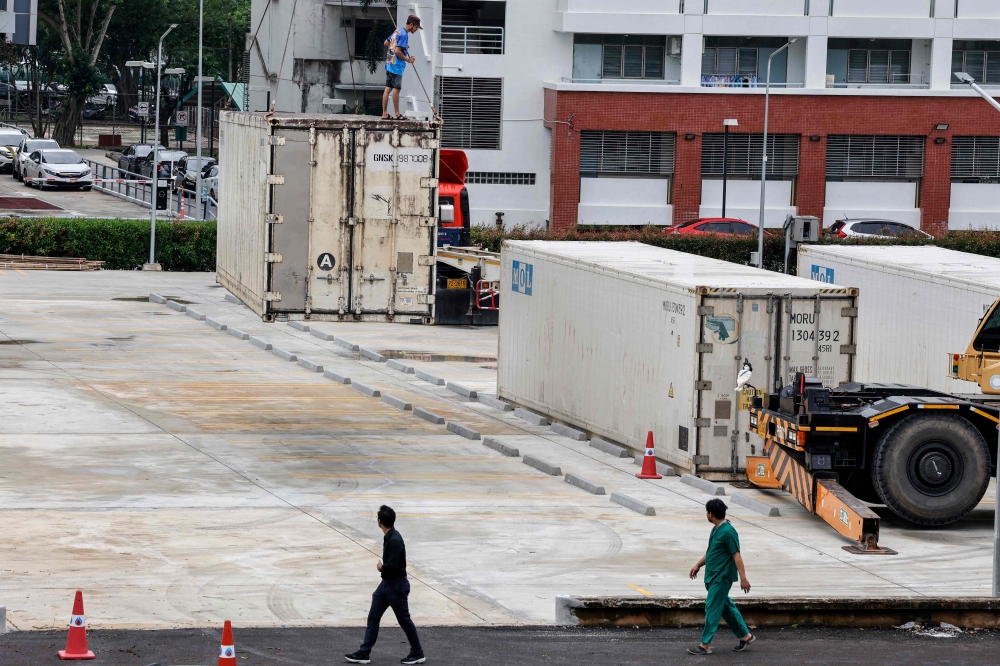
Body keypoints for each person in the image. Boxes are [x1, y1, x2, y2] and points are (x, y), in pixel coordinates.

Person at [346, 505, 425, 665]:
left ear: (379, 521)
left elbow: (394, 565)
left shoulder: (395, 540)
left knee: (404, 620)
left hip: (396, 586)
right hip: (386, 585)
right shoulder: (389, 536)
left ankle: (417, 652)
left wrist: (381, 567)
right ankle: (364, 653)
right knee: (373, 617)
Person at [687, 498, 755, 655]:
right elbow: (711, 552)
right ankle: (746, 636)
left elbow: (736, 555)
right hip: (713, 576)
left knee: (711, 608)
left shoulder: (729, 532)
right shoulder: (716, 530)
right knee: (726, 607)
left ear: (710, 514)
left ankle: (705, 645)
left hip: (721, 577)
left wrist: (743, 578)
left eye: (707, 513)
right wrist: (698, 565)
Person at [382, 16, 422, 120]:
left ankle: (384, 113)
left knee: (388, 88)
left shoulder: (398, 31)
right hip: (397, 66)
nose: (416, 29)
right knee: (396, 89)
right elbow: (398, 51)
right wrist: (408, 59)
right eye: (416, 27)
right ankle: (397, 114)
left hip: (389, 63)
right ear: (411, 25)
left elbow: (386, 42)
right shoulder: (404, 34)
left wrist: (400, 46)